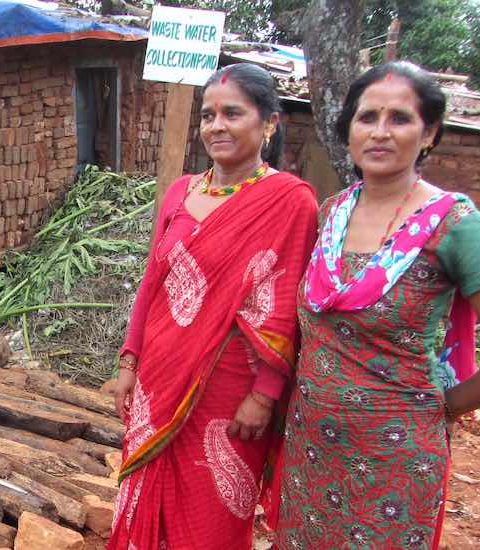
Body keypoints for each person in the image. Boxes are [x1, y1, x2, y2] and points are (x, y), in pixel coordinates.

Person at [276, 61, 480, 549]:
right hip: (311, 450)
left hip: (396, 456)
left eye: (399, 118)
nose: (380, 132)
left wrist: (447, 406)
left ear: (430, 133)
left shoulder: (457, 225)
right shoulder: (332, 213)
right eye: (367, 117)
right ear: (349, 131)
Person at [108, 63, 318, 550]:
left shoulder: (290, 201)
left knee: (212, 518)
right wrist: (129, 360)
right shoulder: (181, 192)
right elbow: (152, 283)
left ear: (269, 123)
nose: (216, 125)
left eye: (232, 113)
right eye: (208, 115)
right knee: (145, 496)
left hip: (232, 394)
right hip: (159, 375)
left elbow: (285, 309)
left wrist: (265, 395)